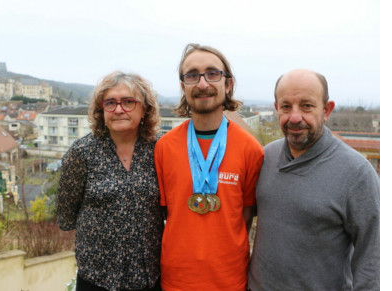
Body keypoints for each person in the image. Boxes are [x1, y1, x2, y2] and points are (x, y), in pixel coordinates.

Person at [248, 69, 380, 290]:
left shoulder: (357, 173)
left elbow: (373, 257)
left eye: (307, 106)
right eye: (286, 106)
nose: (295, 117)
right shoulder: (265, 157)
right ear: (276, 108)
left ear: (327, 110)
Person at [154, 43, 264, 290]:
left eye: (212, 73)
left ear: (228, 84)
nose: (202, 84)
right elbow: (167, 215)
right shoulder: (164, 147)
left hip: (230, 281)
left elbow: (244, 217)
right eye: (192, 75)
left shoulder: (251, 149)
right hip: (175, 281)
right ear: (183, 87)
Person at [57, 71, 164, 291]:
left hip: (149, 277)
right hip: (97, 279)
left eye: (128, 102)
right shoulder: (81, 153)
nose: (118, 109)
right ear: (101, 110)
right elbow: (66, 215)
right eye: (110, 103)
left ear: (144, 108)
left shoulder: (161, 150)